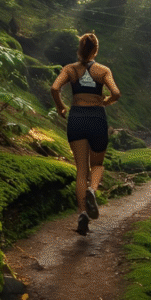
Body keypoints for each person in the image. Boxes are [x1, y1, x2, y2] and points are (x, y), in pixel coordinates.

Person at [50, 33, 121, 235]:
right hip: (97, 118)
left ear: (79, 49)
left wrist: (61, 107)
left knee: (81, 169)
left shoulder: (70, 69)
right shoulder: (103, 70)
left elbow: (55, 88)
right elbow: (116, 93)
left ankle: (82, 213)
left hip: (77, 118)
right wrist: (105, 102)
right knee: (97, 164)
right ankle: (93, 190)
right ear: (95, 50)